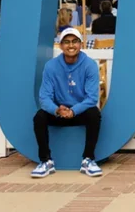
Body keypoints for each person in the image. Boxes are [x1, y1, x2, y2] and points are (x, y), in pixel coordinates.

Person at [31, 28, 103, 178]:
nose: (71, 45)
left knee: (94, 114)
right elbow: (44, 97)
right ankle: (45, 161)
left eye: (75, 41)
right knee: (39, 117)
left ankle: (88, 159)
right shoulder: (51, 66)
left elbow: (92, 98)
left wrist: (74, 110)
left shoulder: (89, 65)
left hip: (80, 110)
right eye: (67, 42)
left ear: (81, 44)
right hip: (59, 111)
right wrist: (57, 110)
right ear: (60, 46)